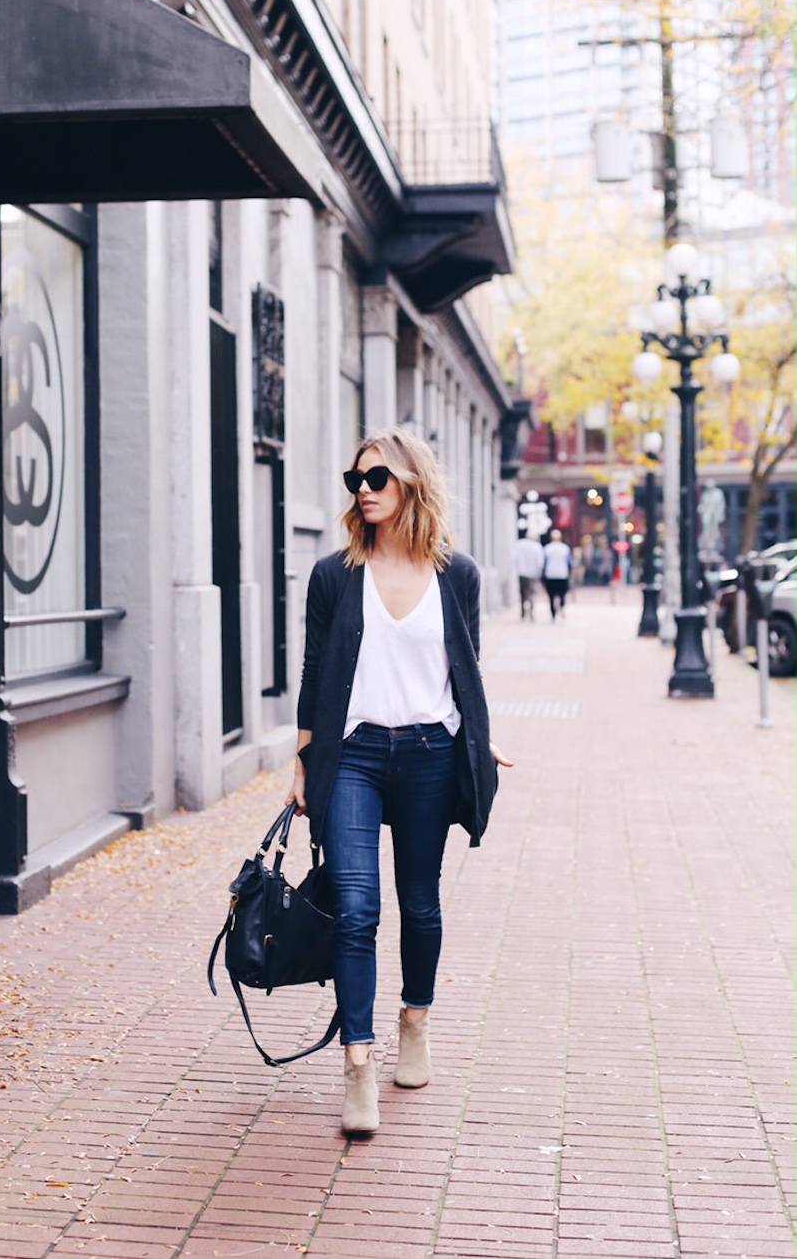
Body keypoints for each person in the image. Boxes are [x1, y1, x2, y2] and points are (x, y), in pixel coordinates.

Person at [285, 427, 514, 1137]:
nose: (363, 490)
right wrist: (301, 757)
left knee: (420, 903)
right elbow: (315, 671)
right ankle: (358, 1062)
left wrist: (478, 737)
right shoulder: (334, 574)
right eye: (355, 479)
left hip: (429, 754)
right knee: (356, 908)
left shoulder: (458, 574)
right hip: (353, 754)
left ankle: (414, 1018)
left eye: (377, 477)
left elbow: (464, 667)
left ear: (412, 482)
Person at [514, 528, 545, 620]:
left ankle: (523, 612)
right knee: (531, 593)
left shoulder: (519, 544)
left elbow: (515, 558)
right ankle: (531, 612)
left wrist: (518, 569)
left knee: (522, 593)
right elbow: (540, 562)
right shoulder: (537, 546)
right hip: (532, 573)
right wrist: (539, 572)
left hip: (522, 573)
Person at [542, 528, 572, 619]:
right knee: (562, 594)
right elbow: (569, 562)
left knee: (551, 595)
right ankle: (562, 607)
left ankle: (553, 613)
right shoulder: (565, 548)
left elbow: (544, 563)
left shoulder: (547, 548)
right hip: (562, 574)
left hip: (550, 575)